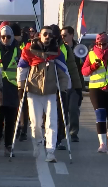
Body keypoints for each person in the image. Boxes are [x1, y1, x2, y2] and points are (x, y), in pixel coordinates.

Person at [17, 26, 70, 162]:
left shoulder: (56, 52)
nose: (47, 37)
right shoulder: (29, 50)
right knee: (35, 123)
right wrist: (20, 87)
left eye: (50, 35)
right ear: (39, 36)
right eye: (45, 34)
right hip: (33, 92)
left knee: (51, 122)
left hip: (51, 92)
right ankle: (38, 143)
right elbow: (21, 70)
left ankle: (50, 151)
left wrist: (63, 89)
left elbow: (63, 73)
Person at [0, 24, 20, 156]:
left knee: (10, 117)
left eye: (8, 36)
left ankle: (8, 145)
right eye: (3, 36)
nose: (6, 39)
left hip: (13, 86)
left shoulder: (18, 50)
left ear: (12, 37)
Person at [51, 24, 81, 150]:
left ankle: (64, 136)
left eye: (63, 35)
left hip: (66, 84)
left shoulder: (67, 48)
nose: (61, 38)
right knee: (53, 113)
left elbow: (73, 69)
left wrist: (78, 87)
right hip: (50, 84)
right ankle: (50, 136)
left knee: (67, 110)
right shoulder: (43, 46)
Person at [81, 32, 108, 153]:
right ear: (96, 43)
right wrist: (92, 67)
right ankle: (102, 144)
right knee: (100, 114)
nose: (102, 46)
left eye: (104, 44)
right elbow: (84, 71)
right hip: (96, 89)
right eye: (99, 44)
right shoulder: (91, 54)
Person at [61, 26, 84, 142]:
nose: (63, 37)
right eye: (61, 35)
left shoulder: (79, 48)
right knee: (63, 109)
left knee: (73, 108)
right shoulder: (60, 48)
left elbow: (83, 67)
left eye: (65, 35)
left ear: (71, 35)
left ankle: (74, 132)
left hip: (75, 83)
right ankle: (63, 131)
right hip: (63, 83)